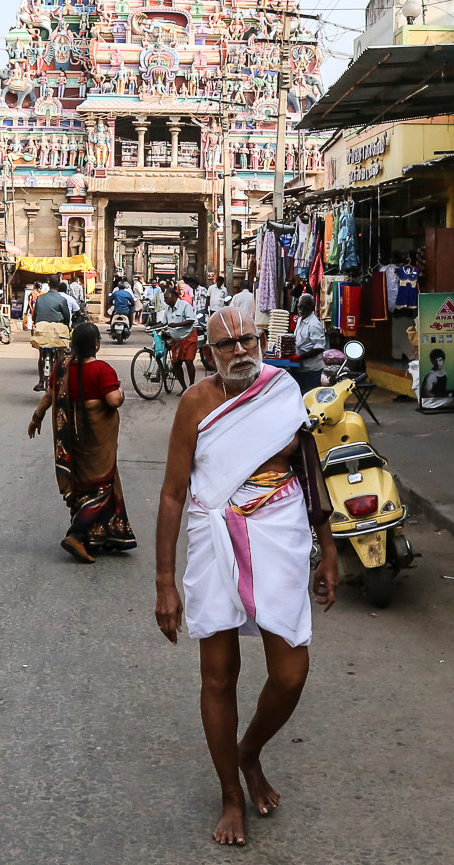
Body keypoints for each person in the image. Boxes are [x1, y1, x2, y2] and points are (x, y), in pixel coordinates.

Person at [155, 307, 339, 846]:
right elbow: (171, 493)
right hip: (212, 541)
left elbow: (309, 470)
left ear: (262, 340)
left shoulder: (282, 389)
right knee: (218, 675)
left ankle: (249, 751)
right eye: (226, 344)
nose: (239, 351)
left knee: (290, 674)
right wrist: (165, 582)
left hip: (280, 537)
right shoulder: (195, 403)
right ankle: (230, 793)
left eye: (247, 340)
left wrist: (328, 550)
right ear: (209, 353)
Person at [28, 321, 137, 562]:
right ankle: (76, 535)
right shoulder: (102, 370)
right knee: (101, 486)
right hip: (96, 442)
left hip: (72, 439)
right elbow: (113, 401)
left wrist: (36, 418)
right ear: (96, 345)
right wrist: (121, 393)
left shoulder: (62, 367)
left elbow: (49, 396)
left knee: (83, 487)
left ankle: (98, 535)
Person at [31, 280, 73, 390]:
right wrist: (67, 326)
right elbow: (67, 317)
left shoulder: (40, 298)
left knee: (41, 354)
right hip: (57, 332)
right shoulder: (62, 299)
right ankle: (58, 377)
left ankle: (40, 381)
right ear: (59, 285)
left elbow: (34, 316)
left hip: (42, 330)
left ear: (48, 284)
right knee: (60, 354)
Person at [159, 286, 199, 390]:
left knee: (189, 361)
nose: (165, 300)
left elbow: (191, 320)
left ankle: (191, 386)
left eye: (166, 298)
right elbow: (163, 323)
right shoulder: (168, 309)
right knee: (176, 363)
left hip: (188, 337)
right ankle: (184, 388)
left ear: (173, 297)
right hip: (176, 340)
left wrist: (176, 324)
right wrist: (151, 327)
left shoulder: (185, 305)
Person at [292, 293, 327, 394]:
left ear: (311, 308)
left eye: (304, 308)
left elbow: (319, 347)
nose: (301, 310)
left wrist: (301, 357)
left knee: (310, 397)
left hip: (311, 369)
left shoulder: (314, 325)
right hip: (300, 367)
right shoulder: (300, 320)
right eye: (299, 307)